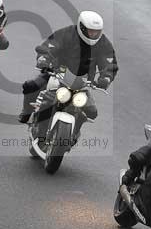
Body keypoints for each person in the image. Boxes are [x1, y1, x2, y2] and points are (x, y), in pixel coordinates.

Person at [19, 10, 118, 138]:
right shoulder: (67, 33)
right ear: (81, 26)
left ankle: (74, 133)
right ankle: (26, 112)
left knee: (91, 111)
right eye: (90, 31)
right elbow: (49, 46)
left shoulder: (103, 42)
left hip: (82, 83)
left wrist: (106, 78)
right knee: (30, 86)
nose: (93, 34)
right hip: (56, 74)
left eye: (96, 32)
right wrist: (44, 59)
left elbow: (109, 62)